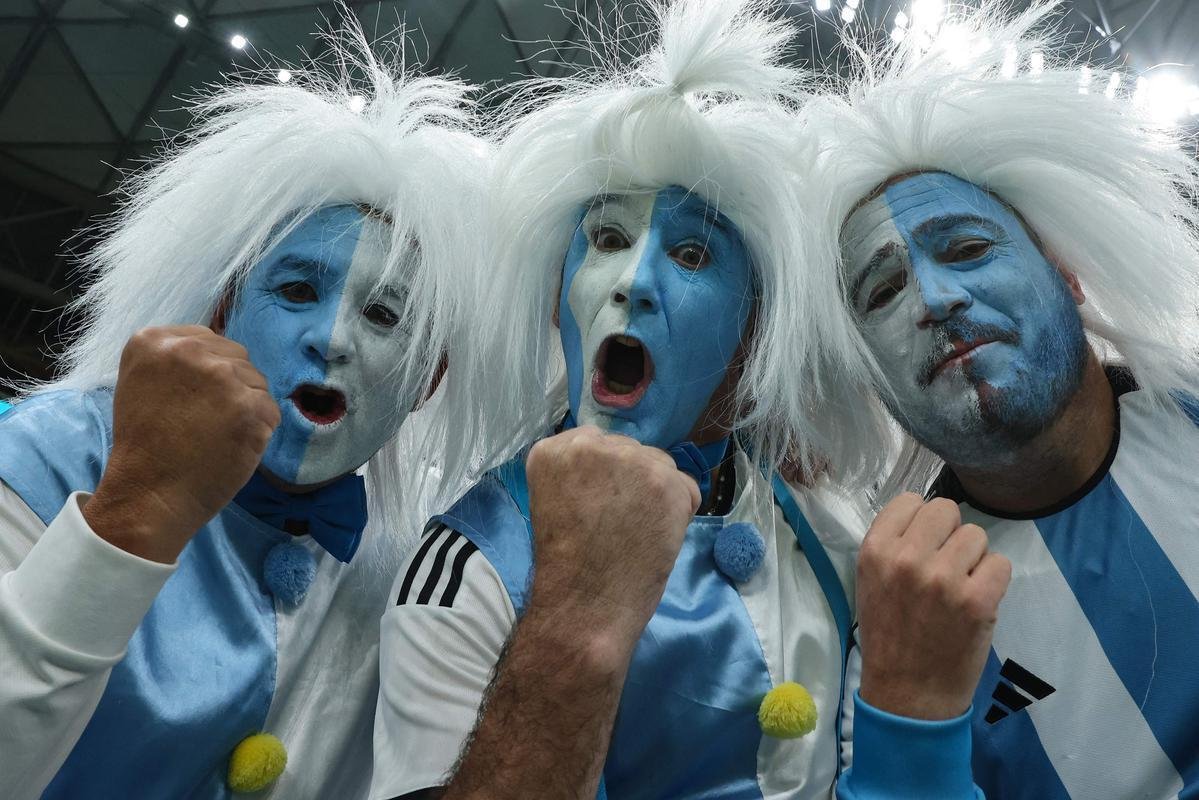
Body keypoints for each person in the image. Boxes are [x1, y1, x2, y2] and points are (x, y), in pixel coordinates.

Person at [370, 2, 1006, 798]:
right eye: (605, 240)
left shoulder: (826, 519)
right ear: (556, 297)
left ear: (753, 325)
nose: (633, 282)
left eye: (693, 253)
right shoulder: (469, 558)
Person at [0, 22, 494, 799]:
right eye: (296, 291)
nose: (333, 339)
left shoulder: (411, 564)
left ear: (427, 382)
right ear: (223, 308)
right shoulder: (51, 456)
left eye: (384, 316)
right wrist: (130, 515)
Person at [798, 1, 1199, 796]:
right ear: (872, 381)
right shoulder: (900, 625)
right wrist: (908, 711)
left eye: (968, 247)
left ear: (1067, 276)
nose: (932, 298)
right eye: (881, 292)